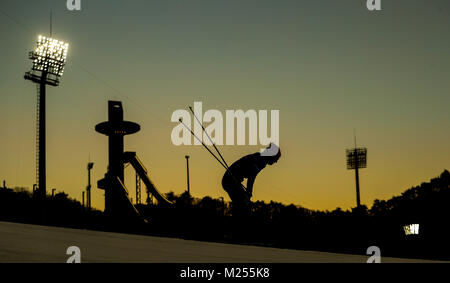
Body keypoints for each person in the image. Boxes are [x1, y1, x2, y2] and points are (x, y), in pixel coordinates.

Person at [222, 143, 281, 216]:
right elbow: (252, 176)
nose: (275, 162)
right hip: (230, 181)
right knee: (243, 204)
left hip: (230, 180)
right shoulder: (261, 160)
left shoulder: (259, 156)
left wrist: (248, 193)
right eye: (276, 159)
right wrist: (249, 192)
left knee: (243, 204)